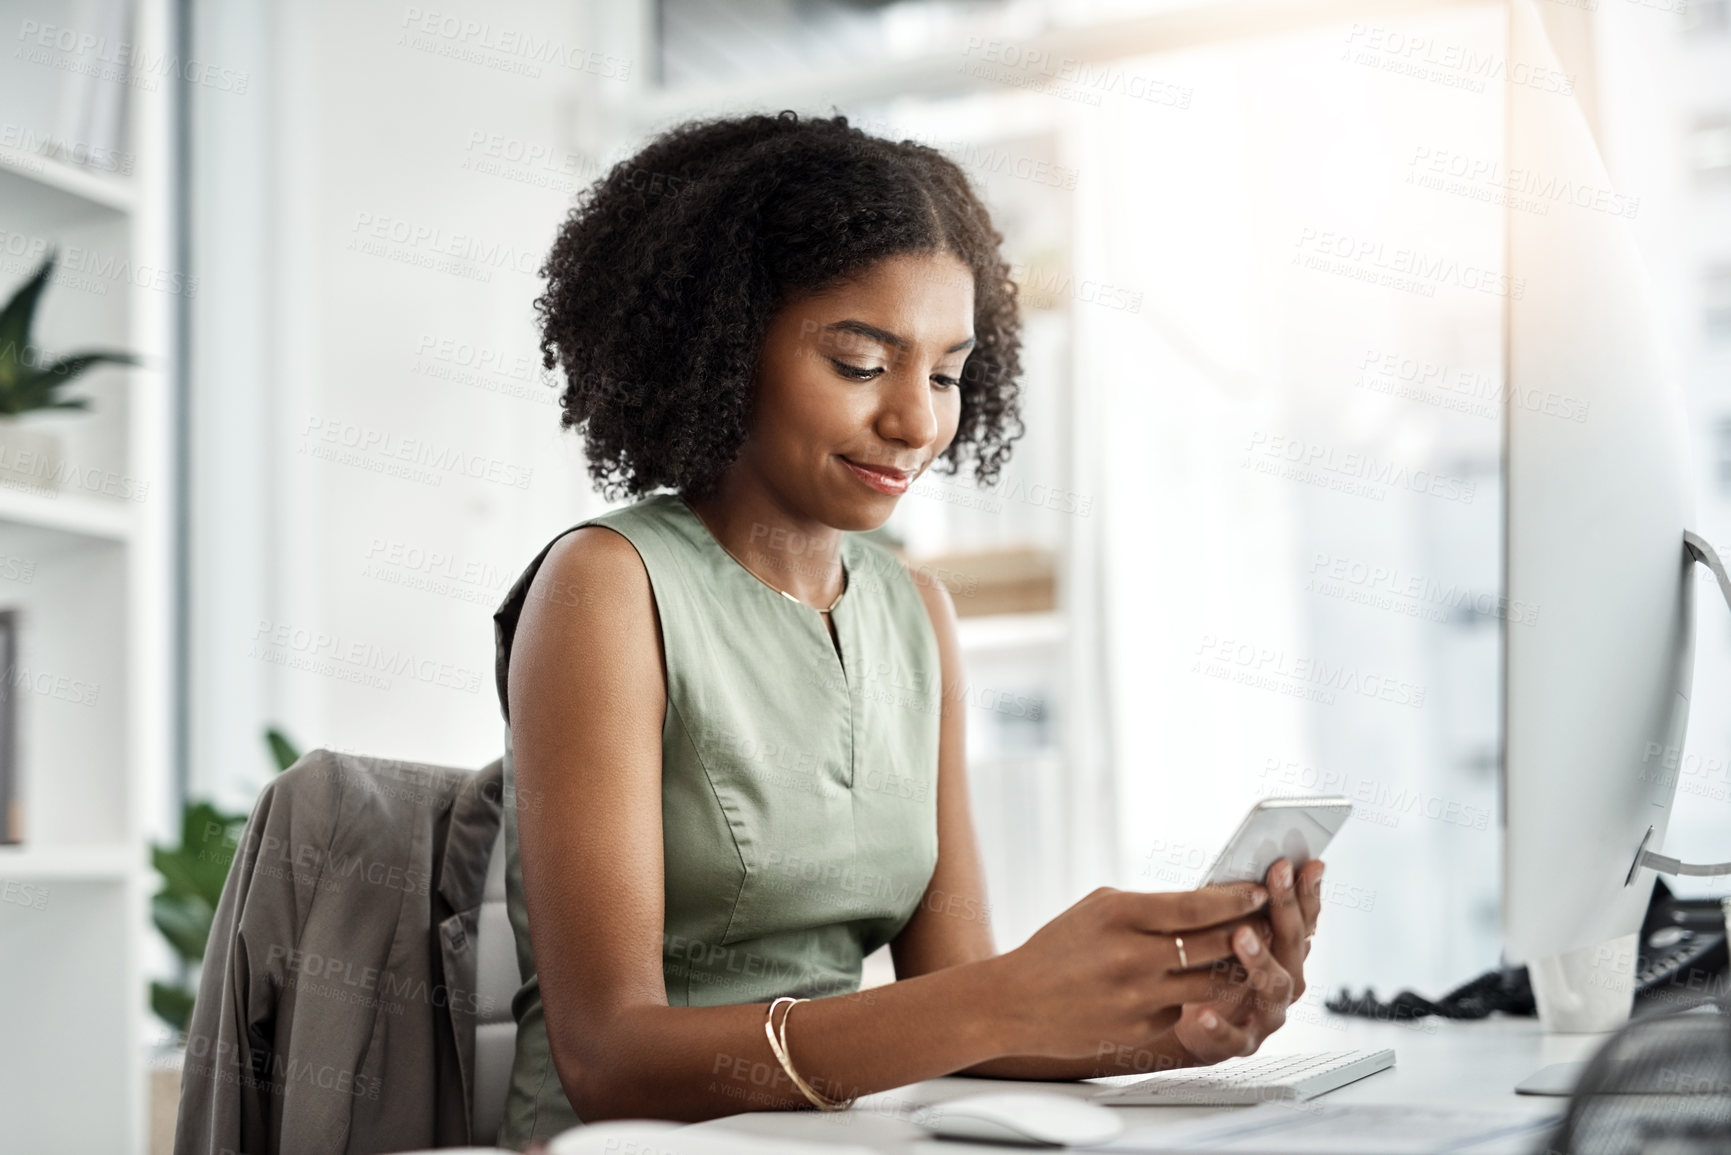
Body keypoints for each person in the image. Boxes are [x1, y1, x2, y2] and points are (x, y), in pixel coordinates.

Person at [492, 110, 1325, 1150]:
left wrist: (1168, 1026)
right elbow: (610, 1060)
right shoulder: (607, 587)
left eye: (944, 374)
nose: (918, 422)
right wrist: (1009, 994)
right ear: (721, 345)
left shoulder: (914, 611)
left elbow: (956, 1013)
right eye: (858, 364)